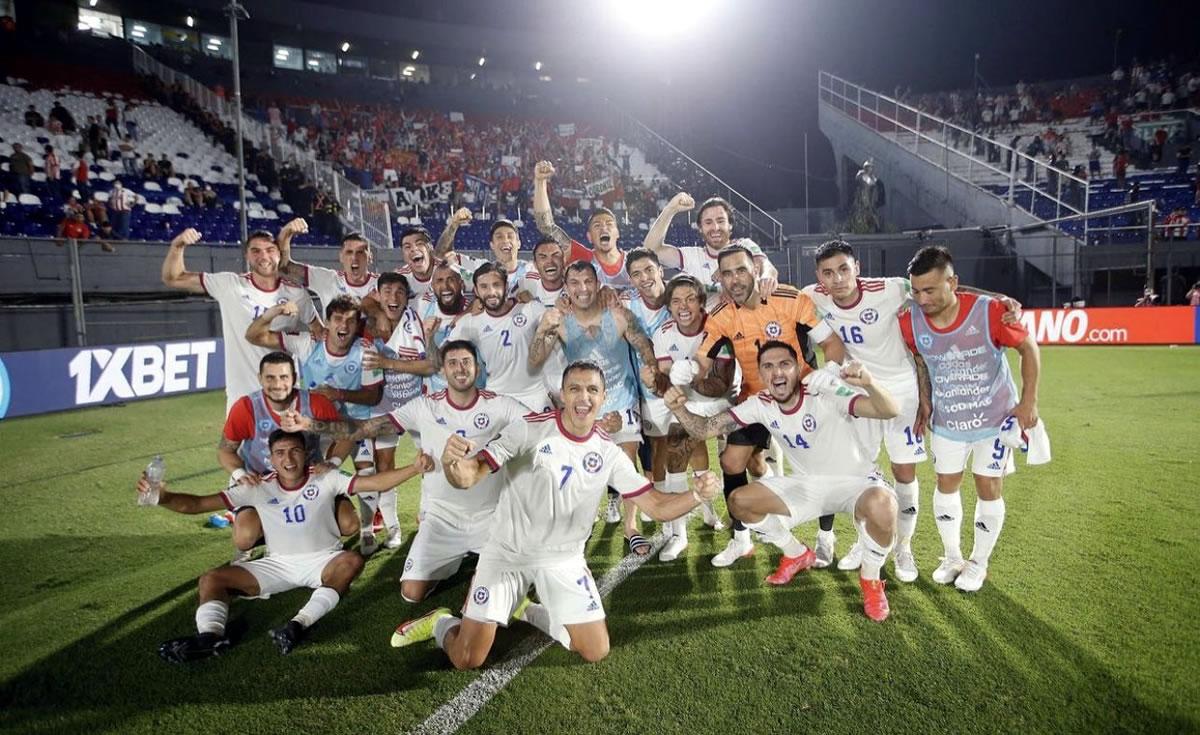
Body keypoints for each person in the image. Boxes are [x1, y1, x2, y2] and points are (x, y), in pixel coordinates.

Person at [388, 361, 720, 668]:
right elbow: (469, 476)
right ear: (562, 395)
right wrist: (450, 463)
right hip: (506, 555)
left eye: (592, 390)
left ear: (603, 398)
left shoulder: (608, 452)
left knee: (595, 650)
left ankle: (525, 609)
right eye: (575, 388)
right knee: (467, 658)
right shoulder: (528, 430)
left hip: (563, 561)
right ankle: (442, 622)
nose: (583, 397)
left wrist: (695, 494)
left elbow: (657, 506)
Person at [141, 429, 431, 663]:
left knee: (352, 561)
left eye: (294, 451)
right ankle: (210, 637)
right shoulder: (257, 486)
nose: (288, 459)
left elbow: (376, 482)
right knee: (212, 579)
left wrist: (414, 468)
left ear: (305, 454)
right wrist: (162, 497)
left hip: (323, 560)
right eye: (280, 453)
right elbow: (199, 504)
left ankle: (299, 624)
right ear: (271, 459)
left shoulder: (326, 477)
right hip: (277, 564)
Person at [665, 345, 901, 620]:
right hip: (808, 486)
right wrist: (678, 408)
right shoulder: (760, 403)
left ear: (798, 368)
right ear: (761, 374)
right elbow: (704, 429)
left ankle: (871, 580)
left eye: (785, 364)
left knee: (883, 506)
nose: (777, 371)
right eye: (768, 366)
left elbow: (889, 410)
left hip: (857, 483)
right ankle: (796, 553)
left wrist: (869, 383)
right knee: (740, 502)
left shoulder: (824, 392)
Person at [283, 340, 527, 605]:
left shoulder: (500, 405)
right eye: (452, 363)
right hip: (441, 517)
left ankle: (479, 563)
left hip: (490, 515)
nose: (460, 368)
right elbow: (364, 429)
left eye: (466, 362)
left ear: (477, 369)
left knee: (511, 583)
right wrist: (311, 424)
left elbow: (538, 425)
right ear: (442, 371)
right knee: (411, 593)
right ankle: (454, 562)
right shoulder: (423, 407)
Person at [682, 244, 845, 567]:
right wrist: (686, 370)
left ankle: (825, 537)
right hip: (757, 399)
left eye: (741, 269)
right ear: (720, 279)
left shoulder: (790, 299)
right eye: (726, 273)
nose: (735, 279)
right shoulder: (722, 315)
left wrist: (829, 376)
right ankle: (741, 539)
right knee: (731, 462)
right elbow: (704, 357)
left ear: (755, 269)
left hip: (803, 396)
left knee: (820, 469)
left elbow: (831, 342)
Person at [901, 245, 1040, 592]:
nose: (922, 298)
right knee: (945, 485)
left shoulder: (991, 311)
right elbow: (919, 359)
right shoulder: (909, 320)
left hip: (995, 421)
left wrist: (1029, 402)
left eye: (930, 290)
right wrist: (926, 399)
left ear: (954, 283)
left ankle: (978, 562)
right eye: (916, 291)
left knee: (987, 487)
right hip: (948, 422)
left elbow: (1029, 348)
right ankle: (952, 557)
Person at [529, 261, 658, 555]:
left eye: (588, 281)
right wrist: (542, 329)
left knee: (627, 464)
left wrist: (652, 373)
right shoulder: (560, 321)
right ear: (566, 288)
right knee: (581, 469)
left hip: (623, 402)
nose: (582, 288)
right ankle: (579, 527)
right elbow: (536, 358)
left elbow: (645, 348)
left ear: (598, 283)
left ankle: (631, 527)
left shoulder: (619, 315)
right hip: (585, 407)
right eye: (574, 283)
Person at [160, 227, 319, 414]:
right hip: (242, 398)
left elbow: (319, 334)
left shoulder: (297, 294)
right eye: (256, 251)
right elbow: (174, 278)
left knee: (290, 443)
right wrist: (177, 246)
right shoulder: (229, 284)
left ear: (279, 253)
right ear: (247, 256)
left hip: (285, 397)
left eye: (269, 250)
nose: (263, 256)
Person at [219, 351, 356, 562]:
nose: (278, 384)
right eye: (270, 378)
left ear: (294, 377)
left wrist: (333, 462)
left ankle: (321, 540)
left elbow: (347, 435)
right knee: (244, 537)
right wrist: (240, 474)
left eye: (284, 377)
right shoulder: (246, 407)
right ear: (259, 379)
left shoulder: (315, 403)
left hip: (308, 482)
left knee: (349, 523)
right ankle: (262, 540)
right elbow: (225, 450)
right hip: (262, 484)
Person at [643, 274, 732, 560]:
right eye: (676, 301)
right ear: (668, 306)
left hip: (724, 398)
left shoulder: (717, 326)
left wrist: (689, 379)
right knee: (677, 445)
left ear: (702, 303)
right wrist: (655, 381)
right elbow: (666, 380)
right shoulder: (664, 333)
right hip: (686, 400)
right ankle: (680, 534)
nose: (683, 306)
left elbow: (723, 383)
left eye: (691, 299)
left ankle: (727, 515)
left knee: (741, 459)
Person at [449, 263, 552, 412]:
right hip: (496, 399)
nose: (491, 292)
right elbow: (445, 356)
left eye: (496, 285)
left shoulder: (531, 309)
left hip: (536, 397)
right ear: (476, 291)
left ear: (506, 286)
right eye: (484, 287)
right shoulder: (470, 322)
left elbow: (556, 328)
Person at [642, 193, 780, 298]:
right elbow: (650, 250)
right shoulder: (692, 256)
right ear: (700, 228)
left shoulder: (744, 246)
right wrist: (670, 209)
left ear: (730, 225)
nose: (715, 227)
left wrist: (767, 277)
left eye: (720, 221)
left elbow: (766, 266)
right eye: (708, 222)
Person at [533, 160, 631, 289]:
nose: (603, 228)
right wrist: (540, 182)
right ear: (589, 237)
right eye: (597, 225)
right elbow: (546, 226)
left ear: (617, 232)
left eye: (609, 224)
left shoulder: (634, 261)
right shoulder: (582, 257)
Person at [278, 222, 379, 310]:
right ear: (341, 257)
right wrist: (286, 233)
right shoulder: (327, 279)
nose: (354, 257)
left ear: (370, 257)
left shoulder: (382, 285)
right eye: (349, 252)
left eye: (360, 252)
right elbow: (284, 267)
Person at [516, 236, 567, 306]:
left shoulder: (577, 288)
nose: (549, 262)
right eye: (543, 257)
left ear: (564, 260)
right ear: (535, 264)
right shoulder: (526, 283)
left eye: (555, 255)